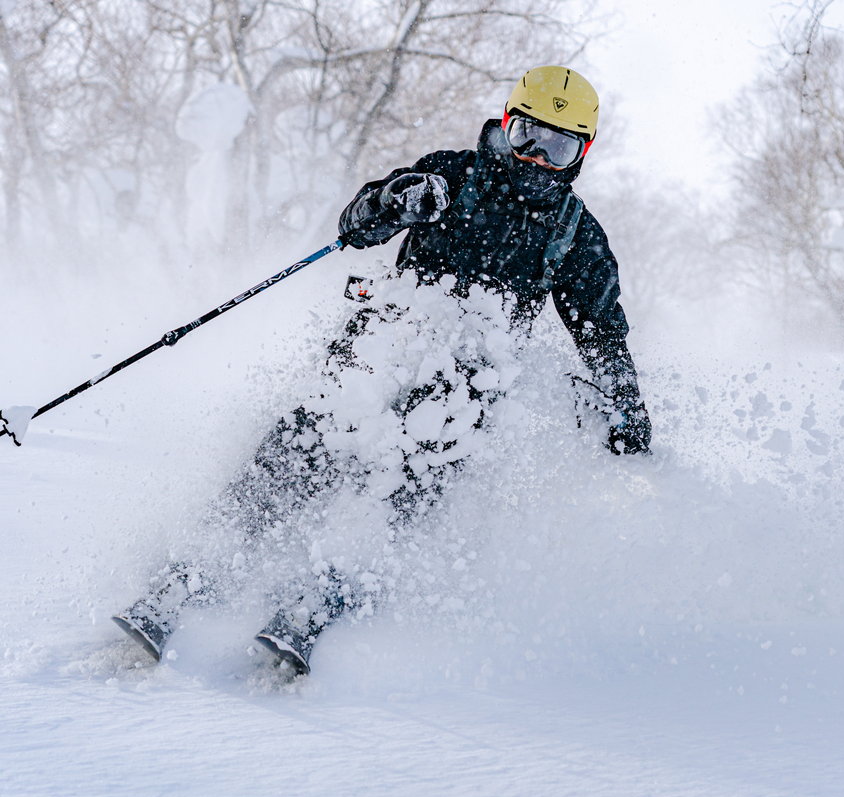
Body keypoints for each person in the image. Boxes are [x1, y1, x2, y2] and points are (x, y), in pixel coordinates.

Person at [112, 65, 651, 674]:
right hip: (380, 352)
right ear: (506, 122)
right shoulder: (450, 175)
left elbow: (602, 329)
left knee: (407, 492)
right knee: (291, 461)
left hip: (463, 392)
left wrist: (626, 409)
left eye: (559, 146)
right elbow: (356, 227)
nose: (536, 158)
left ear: (582, 153)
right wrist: (395, 201)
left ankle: (319, 604)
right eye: (527, 135)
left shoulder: (573, 234)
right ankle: (186, 579)